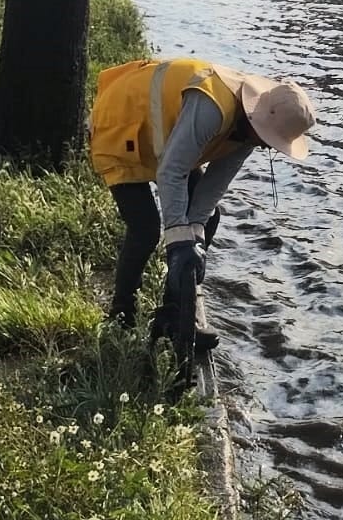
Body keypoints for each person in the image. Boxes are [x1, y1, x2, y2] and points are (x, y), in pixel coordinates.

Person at [90, 56, 316, 343]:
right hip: (120, 126)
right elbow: (171, 171)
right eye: (266, 140)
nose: (264, 146)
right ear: (259, 119)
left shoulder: (252, 129)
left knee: (208, 219)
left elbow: (213, 187)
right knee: (145, 228)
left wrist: (193, 237)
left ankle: (175, 313)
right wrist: (178, 242)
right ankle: (122, 315)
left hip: (165, 140)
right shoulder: (212, 106)